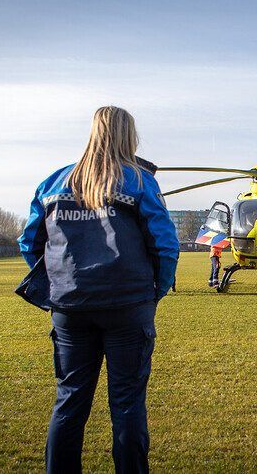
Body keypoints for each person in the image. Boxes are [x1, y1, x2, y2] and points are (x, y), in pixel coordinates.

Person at [17, 106, 179, 474]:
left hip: (70, 309)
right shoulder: (139, 181)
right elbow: (166, 245)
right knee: (127, 404)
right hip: (128, 306)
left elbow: (29, 243)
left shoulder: (53, 183)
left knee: (69, 400)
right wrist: (157, 290)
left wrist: (58, 283)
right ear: (128, 136)